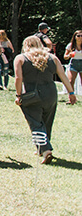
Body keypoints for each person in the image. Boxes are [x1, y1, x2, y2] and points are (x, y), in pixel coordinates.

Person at [15, 36, 76, 164]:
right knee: (47, 121)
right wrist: (71, 92)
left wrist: (18, 95)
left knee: (35, 123)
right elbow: (63, 76)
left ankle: (46, 150)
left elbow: (18, 78)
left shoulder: (21, 58)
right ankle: (41, 148)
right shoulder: (52, 58)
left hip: (31, 94)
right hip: (50, 93)